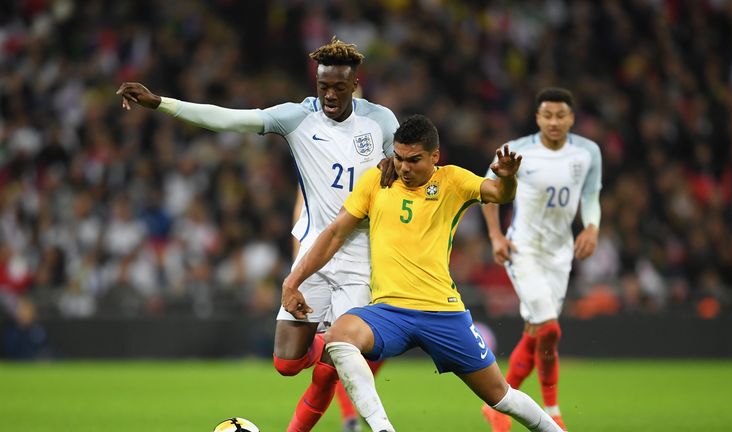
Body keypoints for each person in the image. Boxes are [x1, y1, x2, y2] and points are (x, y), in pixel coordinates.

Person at [117, 38, 398, 432]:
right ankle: (336, 348)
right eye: (323, 87)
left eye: (338, 87)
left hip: (361, 256)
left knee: (344, 352)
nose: (330, 95)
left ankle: (375, 423)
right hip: (315, 251)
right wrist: (161, 103)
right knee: (287, 362)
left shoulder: (381, 121)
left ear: (355, 85)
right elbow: (228, 119)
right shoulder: (297, 118)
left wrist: (397, 171)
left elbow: (410, 170)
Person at [282, 114, 563, 432]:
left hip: (442, 312)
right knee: (339, 337)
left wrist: (510, 178)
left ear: (435, 156)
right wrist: (293, 280)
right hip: (389, 312)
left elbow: (500, 193)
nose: (404, 168)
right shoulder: (377, 181)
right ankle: (382, 428)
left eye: (414, 160)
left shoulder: (453, 181)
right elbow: (333, 234)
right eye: (399, 158)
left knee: (502, 397)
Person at [480, 87, 602, 432]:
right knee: (548, 327)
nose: (553, 121)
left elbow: (591, 195)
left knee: (537, 332)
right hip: (523, 250)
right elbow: (486, 193)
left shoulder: (587, 153)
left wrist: (591, 228)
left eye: (560, 115)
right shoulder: (517, 151)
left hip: (561, 255)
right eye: (547, 115)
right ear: (537, 118)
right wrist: (495, 236)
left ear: (571, 118)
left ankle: (497, 404)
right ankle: (552, 408)